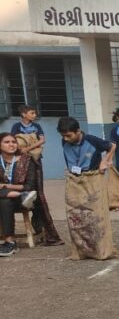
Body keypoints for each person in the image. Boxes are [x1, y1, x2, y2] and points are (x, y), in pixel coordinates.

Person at [58, 116, 118, 260]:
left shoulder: (92, 140)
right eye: (63, 136)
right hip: (74, 180)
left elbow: (112, 146)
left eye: (69, 135)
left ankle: (101, 250)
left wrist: (105, 161)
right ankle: (81, 250)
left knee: (95, 215)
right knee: (75, 214)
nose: (66, 139)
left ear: (78, 131)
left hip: (92, 178)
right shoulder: (64, 141)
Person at [9, 104, 63, 245]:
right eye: (32, 113)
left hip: (35, 159)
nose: (34, 115)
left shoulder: (37, 126)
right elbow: (16, 141)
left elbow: (42, 140)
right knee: (28, 192)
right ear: (24, 114)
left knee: (38, 194)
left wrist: (28, 148)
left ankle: (43, 231)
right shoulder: (16, 126)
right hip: (22, 160)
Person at [0, 133, 39, 256]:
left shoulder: (26, 160)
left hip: (22, 201)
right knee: (5, 199)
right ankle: (16, 194)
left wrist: (6, 186)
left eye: (13, 142)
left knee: (5, 201)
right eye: (7, 142)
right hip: (19, 195)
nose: (11, 144)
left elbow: (29, 186)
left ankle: (9, 242)